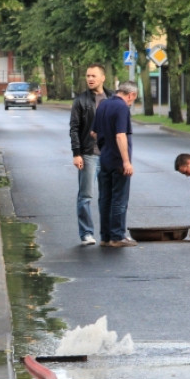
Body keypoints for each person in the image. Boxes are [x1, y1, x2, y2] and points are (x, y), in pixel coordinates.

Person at [69, 64, 112, 246]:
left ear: (103, 78)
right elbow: (74, 129)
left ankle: (110, 233)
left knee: (109, 196)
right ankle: (86, 232)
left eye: (93, 75)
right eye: (87, 76)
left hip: (109, 155)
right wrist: (77, 153)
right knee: (86, 195)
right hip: (88, 154)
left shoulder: (112, 98)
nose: (90, 79)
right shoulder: (81, 101)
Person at [93, 81, 139, 247]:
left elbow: (94, 132)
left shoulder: (103, 104)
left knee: (105, 198)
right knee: (119, 198)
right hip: (118, 161)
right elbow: (121, 136)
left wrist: (104, 146)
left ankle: (105, 237)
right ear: (131, 95)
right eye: (133, 99)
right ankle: (117, 236)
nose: (131, 102)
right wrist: (126, 161)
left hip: (104, 158)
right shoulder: (122, 108)